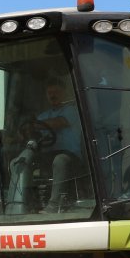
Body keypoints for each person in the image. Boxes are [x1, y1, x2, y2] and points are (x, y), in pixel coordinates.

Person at [35, 79, 83, 212]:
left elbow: (58, 122)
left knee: (60, 160)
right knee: (23, 161)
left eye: (56, 91)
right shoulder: (43, 116)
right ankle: (19, 205)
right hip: (47, 156)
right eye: (49, 92)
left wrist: (34, 126)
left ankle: (54, 205)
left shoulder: (72, 110)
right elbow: (31, 129)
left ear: (64, 93)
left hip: (70, 156)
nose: (52, 95)